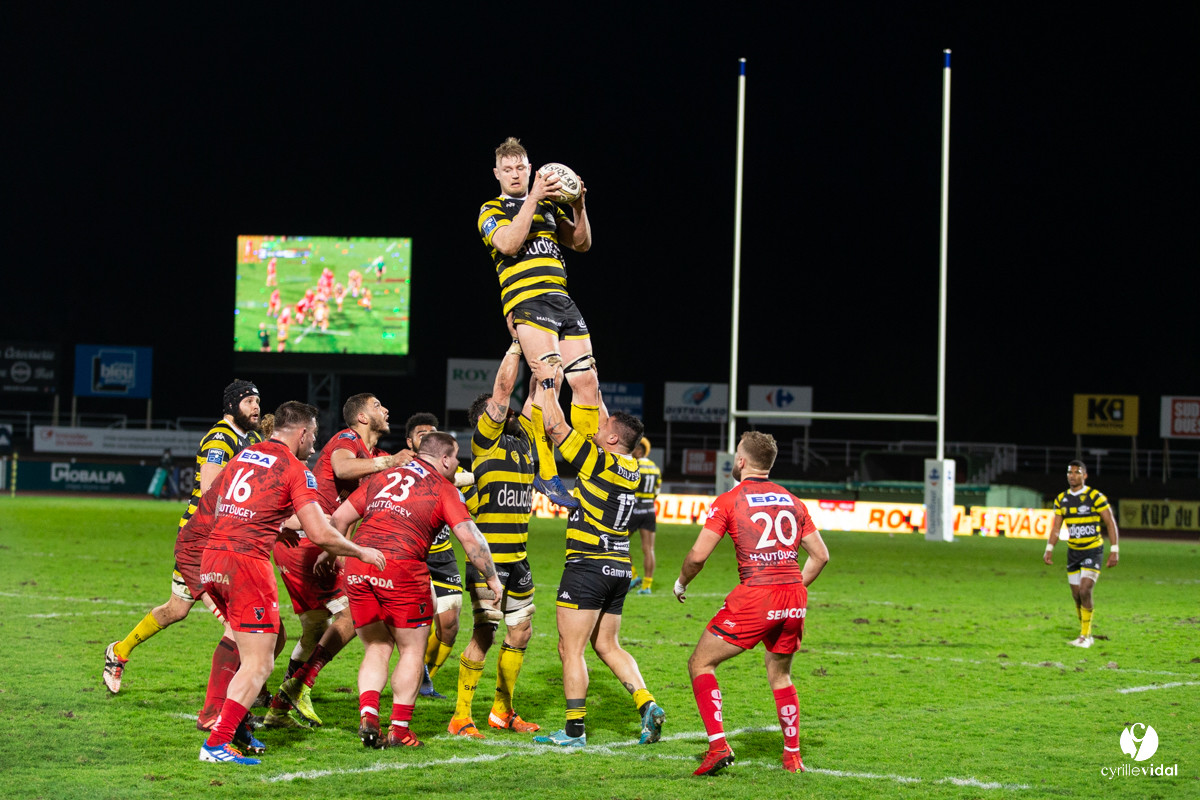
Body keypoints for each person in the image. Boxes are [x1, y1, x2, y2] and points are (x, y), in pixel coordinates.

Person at [198, 401, 386, 765]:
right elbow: (320, 532)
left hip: (213, 558)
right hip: (245, 566)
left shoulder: (246, 455)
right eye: (314, 436)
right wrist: (359, 551)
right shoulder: (294, 467)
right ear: (302, 433)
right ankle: (217, 743)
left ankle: (238, 732)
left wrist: (277, 526)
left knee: (268, 640)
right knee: (260, 664)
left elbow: (217, 500)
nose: (314, 445)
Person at [331, 431, 503, 749]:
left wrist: (343, 560)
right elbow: (470, 537)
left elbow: (339, 519)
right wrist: (492, 577)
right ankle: (399, 730)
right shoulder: (443, 487)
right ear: (446, 459)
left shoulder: (383, 477)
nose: (458, 464)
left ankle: (369, 715)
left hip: (361, 565)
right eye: (457, 458)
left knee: (376, 647)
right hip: (401, 568)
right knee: (411, 650)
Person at [674, 431, 830, 776]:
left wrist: (682, 581)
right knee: (781, 675)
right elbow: (820, 556)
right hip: (793, 596)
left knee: (700, 663)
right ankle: (792, 756)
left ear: (742, 461)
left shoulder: (730, 500)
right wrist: (789, 587)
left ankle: (718, 746)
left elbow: (698, 556)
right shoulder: (793, 500)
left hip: (757, 594)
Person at [527, 357, 665, 748]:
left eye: (601, 428)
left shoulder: (598, 460)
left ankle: (574, 731)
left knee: (570, 648)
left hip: (588, 566)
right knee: (607, 645)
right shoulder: (632, 466)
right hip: (619, 567)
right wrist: (591, 385)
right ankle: (646, 703)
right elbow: (604, 418)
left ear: (609, 439)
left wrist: (549, 385)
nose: (596, 427)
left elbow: (556, 427)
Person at [103, 380, 263, 697]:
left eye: (258, 401)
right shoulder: (221, 439)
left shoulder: (253, 439)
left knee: (177, 609)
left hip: (228, 537)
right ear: (232, 406)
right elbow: (210, 490)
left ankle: (118, 651)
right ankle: (245, 689)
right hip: (202, 538)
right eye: (248, 401)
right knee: (235, 620)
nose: (256, 407)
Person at [265, 393, 401, 728]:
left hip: (316, 541)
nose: (386, 409)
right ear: (362, 418)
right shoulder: (347, 439)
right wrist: (390, 463)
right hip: (306, 541)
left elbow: (349, 512)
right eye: (377, 405)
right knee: (353, 613)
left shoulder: (374, 456)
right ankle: (298, 687)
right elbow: (341, 467)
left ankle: (278, 708)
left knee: (315, 628)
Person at [478, 136, 598, 509]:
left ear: (530, 169)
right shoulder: (490, 209)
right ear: (497, 173)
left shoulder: (549, 207)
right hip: (527, 301)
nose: (515, 174)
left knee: (586, 379)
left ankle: (587, 470)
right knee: (550, 380)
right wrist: (532, 199)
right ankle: (545, 471)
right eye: (508, 169)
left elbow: (581, 243)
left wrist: (578, 204)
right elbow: (510, 244)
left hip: (561, 299)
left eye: (520, 168)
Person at [449, 340, 542, 738]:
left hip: (518, 558)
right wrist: (517, 344)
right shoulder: (486, 442)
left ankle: (502, 711)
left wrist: (542, 359)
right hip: (488, 559)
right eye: (500, 409)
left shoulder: (525, 443)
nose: (509, 411)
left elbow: (534, 401)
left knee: (521, 630)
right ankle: (460, 716)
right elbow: (503, 392)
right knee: (484, 634)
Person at [402, 412, 470, 699]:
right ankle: (418, 679)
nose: (428, 436)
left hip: (443, 557)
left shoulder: (450, 468)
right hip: (412, 555)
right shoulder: (403, 468)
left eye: (433, 432)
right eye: (421, 433)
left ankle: (424, 676)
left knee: (450, 626)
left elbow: (467, 496)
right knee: (418, 623)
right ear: (410, 441)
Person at [1043, 460, 1120, 648]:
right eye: (1070, 472)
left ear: (1084, 475)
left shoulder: (1095, 497)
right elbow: (1057, 526)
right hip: (1073, 552)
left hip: (1093, 550)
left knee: (1085, 590)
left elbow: (1110, 522)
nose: (1072, 475)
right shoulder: (1061, 499)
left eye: (1077, 472)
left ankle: (1086, 637)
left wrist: (1114, 550)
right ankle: (1084, 633)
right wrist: (1049, 549)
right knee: (1076, 595)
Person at [627, 437, 662, 595]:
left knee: (617, 543)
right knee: (649, 549)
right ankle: (646, 586)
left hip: (634, 509)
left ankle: (633, 576)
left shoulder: (634, 465)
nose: (631, 452)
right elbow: (656, 492)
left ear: (639, 450)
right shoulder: (655, 468)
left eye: (634, 449)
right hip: (649, 510)